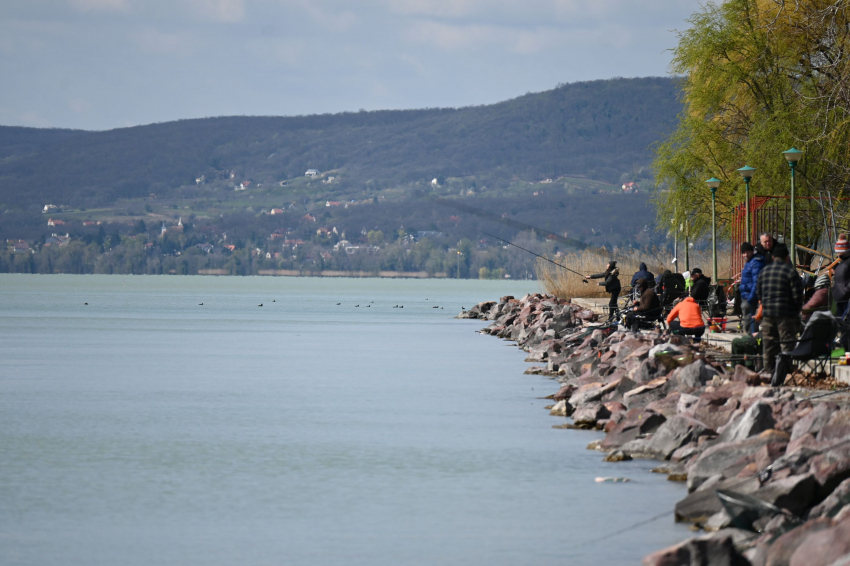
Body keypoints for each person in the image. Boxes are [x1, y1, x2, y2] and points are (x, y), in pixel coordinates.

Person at [755, 243, 803, 375]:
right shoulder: (790, 272)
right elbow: (798, 296)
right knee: (786, 344)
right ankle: (784, 373)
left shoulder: (764, 272)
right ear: (787, 258)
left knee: (769, 345)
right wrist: (796, 310)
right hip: (786, 315)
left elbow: (758, 293)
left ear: (773, 257)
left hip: (768, 314)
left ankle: (769, 373)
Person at [738, 242, 765, 334]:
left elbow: (756, 282)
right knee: (748, 322)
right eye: (744, 253)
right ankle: (752, 340)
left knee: (751, 323)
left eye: (748, 252)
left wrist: (750, 298)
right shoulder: (749, 263)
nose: (746, 254)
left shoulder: (755, 263)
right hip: (746, 296)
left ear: (752, 251)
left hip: (750, 297)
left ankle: (753, 342)